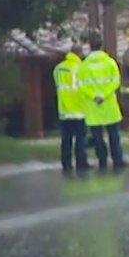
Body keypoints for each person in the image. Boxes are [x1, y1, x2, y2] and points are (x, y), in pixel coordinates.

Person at [77, 33, 127, 170]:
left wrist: (94, 96)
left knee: (97, 136)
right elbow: (115, 82)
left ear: (90, 47)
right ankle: (117, 160)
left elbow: (81, 85)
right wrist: (103, 95)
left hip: (93, 106)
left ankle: (102, 161)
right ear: (101, 46)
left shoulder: (84, 65)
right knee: (114, 135)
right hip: (109, 105)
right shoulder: (110, 62)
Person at [52, 44, 91, 172]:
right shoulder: (81, 68)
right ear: (79, 53)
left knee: (66, 138)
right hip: (78, 108)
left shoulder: (58, 68)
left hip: (63, 108)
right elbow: (84, 87)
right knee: (80, 138)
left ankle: (66, 163)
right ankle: (81, 162)